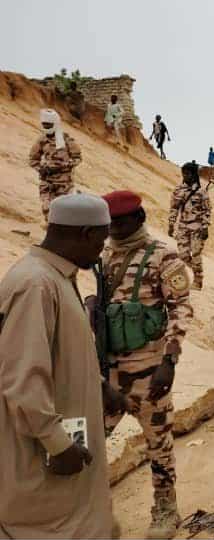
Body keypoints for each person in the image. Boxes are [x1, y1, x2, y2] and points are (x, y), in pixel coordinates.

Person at [0, 194, 114, 538]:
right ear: (84, 234)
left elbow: (61, 355)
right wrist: (58, 444)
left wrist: (99, 386)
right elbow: (22, 378)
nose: (101, 249)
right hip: (43, 454)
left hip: (66, 446)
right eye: (101, 239)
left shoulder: (55, 277)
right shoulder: (36, 284)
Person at [100, 190, 193, 538]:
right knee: (92, 441)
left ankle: (166, 510)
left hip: (150, 372)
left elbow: (181, 307)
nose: (113, 228)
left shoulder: (163, 256)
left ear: (138, 219)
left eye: (120, 222)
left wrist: (170, 359)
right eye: (109, 222)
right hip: (109, 374)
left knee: (159, 444)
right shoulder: (105, 255)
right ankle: (96, 511)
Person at [30, 109, 82, 221]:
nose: (46, 127)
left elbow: (77, 158)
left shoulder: (66, 139)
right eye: (44, 125)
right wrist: (41, 169)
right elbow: (33, 159)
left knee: (63, 211)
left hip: (64, 183)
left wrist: (64, 166)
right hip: (47, 182)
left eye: (49, 125)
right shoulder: (42, 140)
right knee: (47, 209)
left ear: (55, 124)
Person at [168, 162, 212, 289]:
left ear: (193, 175)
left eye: (187, 173)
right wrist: (171, 224)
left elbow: (207, 210)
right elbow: (174, 208)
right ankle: (197, 273)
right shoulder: (178, 190)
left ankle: (198, 281)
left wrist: (205, 227)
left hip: (197, 228)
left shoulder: (201, 192)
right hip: (183, 227)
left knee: (196, 253)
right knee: (183, 255)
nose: (185, 176)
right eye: (183, 173)